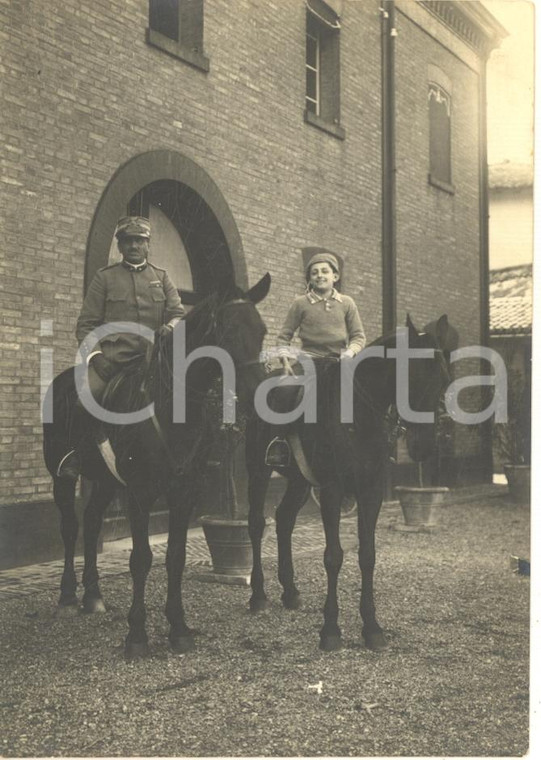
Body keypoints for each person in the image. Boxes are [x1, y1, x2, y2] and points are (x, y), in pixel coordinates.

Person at [56, 215, 185, 479]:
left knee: (182, 402)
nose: (134, 246)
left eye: (140, 240)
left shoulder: (162, 277)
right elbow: (86, 324)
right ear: (120, 246)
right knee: (84, 401)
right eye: (128, 241)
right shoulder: (105, 278)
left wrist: (169, 327)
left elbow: (178, 313)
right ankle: (75, 457)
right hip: (112, 362)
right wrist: (96, 356)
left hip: (153, 361)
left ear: (148, 245)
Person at [265, 251, 366, 466]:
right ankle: (279, 442)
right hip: (308, 360)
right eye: (314, 273)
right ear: (309, 278)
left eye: (325, 271)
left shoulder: (347, 303)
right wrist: (284, 359)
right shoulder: (300, 303)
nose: (320, 275)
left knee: (364, 394)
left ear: (335, 276)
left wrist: (350, 352)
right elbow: (284, 336)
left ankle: (368, 444)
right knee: (285, 390)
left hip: (338, 362)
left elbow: (358, 336)